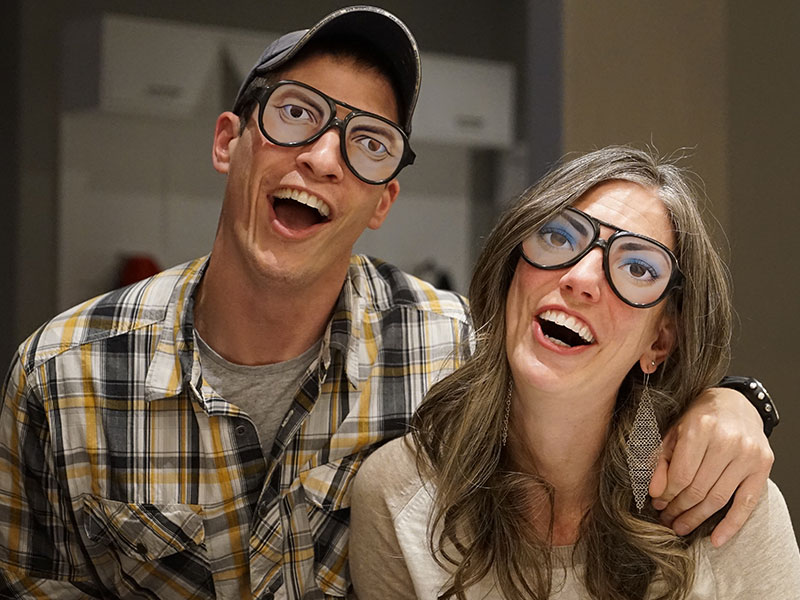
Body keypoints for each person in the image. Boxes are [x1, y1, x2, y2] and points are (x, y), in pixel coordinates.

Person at [0, 7, 777, 599]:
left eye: (369, 142)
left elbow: (592, 391)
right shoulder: (60, 378)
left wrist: (731, 403)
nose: (324, 156)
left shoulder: (445, 346)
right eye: (297, 113)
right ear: (228, 141)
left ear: (384, 202)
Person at [349, 146, 800, 599]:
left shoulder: (720, 502)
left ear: (659, 341)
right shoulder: (399, 492)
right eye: (560, 237)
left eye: (638, 267)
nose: (581, 277)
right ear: (512, 275)